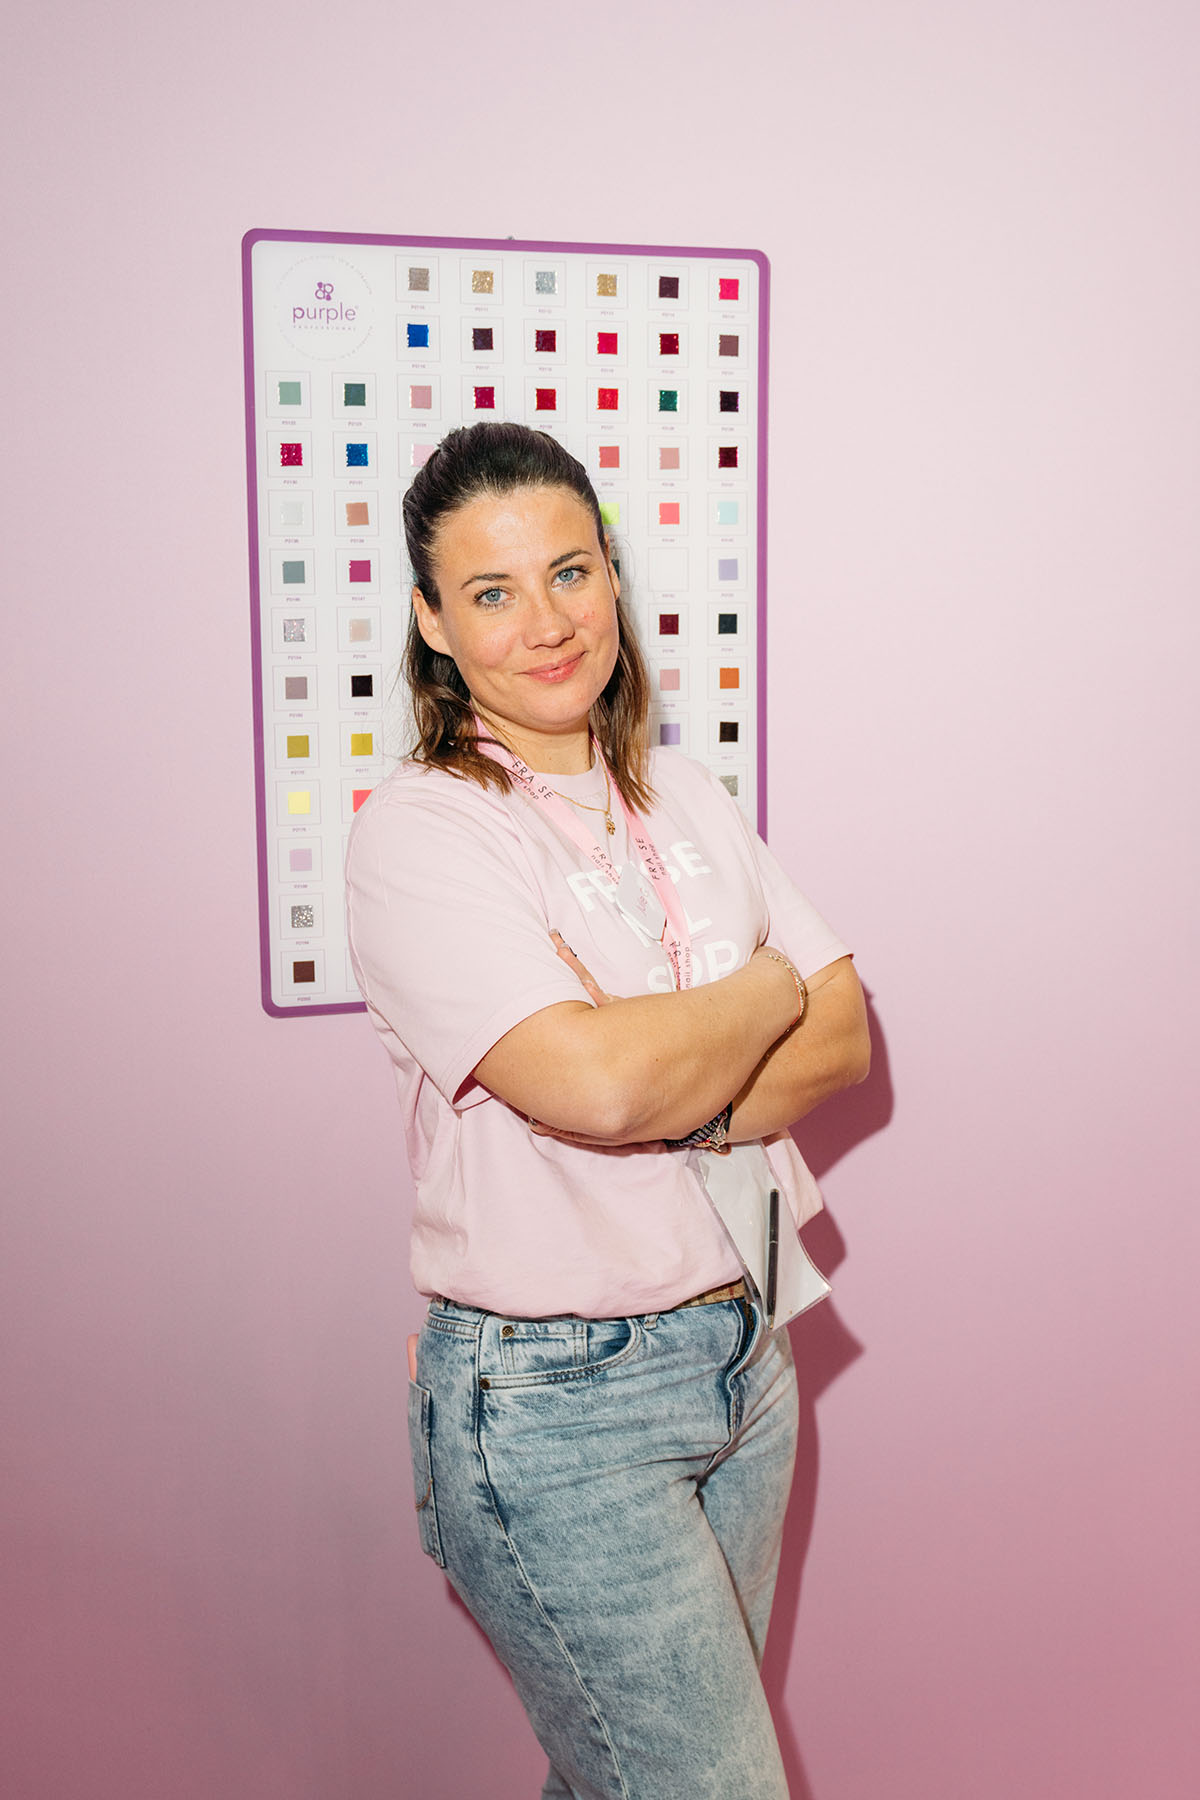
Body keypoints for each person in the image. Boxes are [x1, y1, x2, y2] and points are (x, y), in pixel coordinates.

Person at [345, 421, 869, 1800]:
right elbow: (598, 1084)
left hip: (745, 1353)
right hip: (556, 1406)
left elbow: (844, 1034)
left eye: (570, 572)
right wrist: (765, 985)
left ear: (613, 578)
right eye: (493, 591)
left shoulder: (682, 792)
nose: (547, 622)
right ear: (433, 621)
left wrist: (680, 1080)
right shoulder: (425, 830)